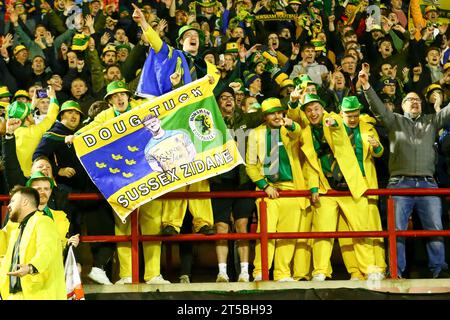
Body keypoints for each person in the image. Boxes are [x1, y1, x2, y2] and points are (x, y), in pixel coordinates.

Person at [68, 80, 170, 285]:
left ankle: (153, 275)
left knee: (152, 224)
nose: (119, 99)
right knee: (122, 226)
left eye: (122, 95)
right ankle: (127, 275)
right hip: (121, 181)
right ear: (109, 101)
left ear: (128, 96)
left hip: (147, 175)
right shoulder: (105, 115)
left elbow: (169, 110)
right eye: (114, 97)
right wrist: (75, 136)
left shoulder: (142, 109)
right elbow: (88, 130)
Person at [359, 63, 450, 279]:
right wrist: (366, 86)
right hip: (399, 183)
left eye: (417, 100)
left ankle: (440, 271)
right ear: (402, 105)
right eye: (410, 100)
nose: (415, 102)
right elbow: (378, 108)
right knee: (396, 231)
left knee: (435, 230)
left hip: (428, 183)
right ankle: (396, 272)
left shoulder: (431, 120)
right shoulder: (394, 121)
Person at [300, 93, 381, 281]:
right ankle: (320, 271)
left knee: (361, 230)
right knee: (322, 233)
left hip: (351, 185)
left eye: (316, 109)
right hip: (326, 189)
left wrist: (333, 124)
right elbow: (311, 164)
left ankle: (369, 268)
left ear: (323, 109)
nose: (313, 113)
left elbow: (335, 125)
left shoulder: (334, 119)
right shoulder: (305, 134)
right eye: (309, 110)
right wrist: (313, 188)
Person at [246, 97, 308, 281]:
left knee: (288, 235)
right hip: (268, 189)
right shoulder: (255, 134)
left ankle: (282, 273)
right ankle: (260, 272)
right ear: (265, 116)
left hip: (292, 187)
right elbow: (250, 165)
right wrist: (264, 186)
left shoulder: (287, 129)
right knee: (265, 232)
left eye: (279, 112)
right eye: (272, 113)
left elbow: (299, 134)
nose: (277, 116)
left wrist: (290, 125)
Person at [0, 186, 66, 300]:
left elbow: (47, 250)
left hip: (39, 294)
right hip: (14, 295)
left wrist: (31, 267)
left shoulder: (44, 221)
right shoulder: (17, 230)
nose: (9, 206)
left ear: (25, 202)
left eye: (13, 201)